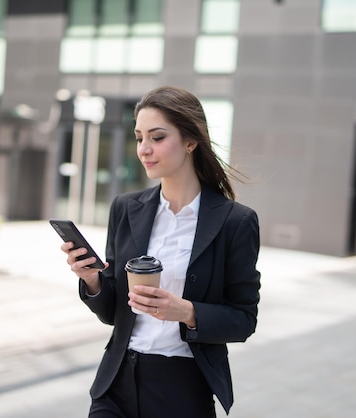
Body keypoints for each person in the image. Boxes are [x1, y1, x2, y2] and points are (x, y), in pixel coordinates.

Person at [61, 86, 261, 417]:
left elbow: (244, 319)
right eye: (139, 138)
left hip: (182, 390)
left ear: (190, 141)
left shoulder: (235, 222)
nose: (144, 149)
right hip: (117, 383)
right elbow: (114, 313)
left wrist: (186, 311)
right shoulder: (126, 208)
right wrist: (92, 280)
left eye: (156, 137)